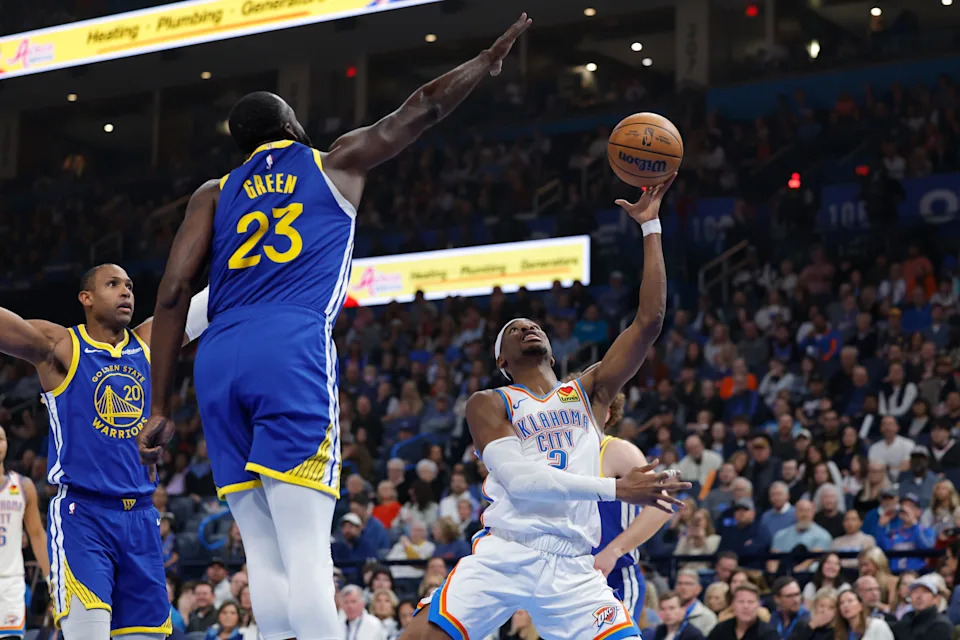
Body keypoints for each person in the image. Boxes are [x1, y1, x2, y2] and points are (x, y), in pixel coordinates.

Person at [140, 15, 535, 640]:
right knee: (305, 551)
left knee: (261, 549)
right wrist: (484, 62)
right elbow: (423, 107)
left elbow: (169, 295)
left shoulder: (213, 193)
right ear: (293, 127)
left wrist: (160, 405)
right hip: (288, 345)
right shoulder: (334, 162)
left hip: (218, 356)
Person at [400, 177, 689, 640]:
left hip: (572, 565)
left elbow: (649, 321)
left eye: (532, 324)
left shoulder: (589, 392)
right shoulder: (489, 402)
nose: (526, 328)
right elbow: (522, 483)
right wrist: (617, 489)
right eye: (514, 329)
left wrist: (650, 226)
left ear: (552, 353)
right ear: (502, 362)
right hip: (506, 552)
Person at [0, 264, 208, 639]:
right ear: (87, 298)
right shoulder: (61, 346)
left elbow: (206, 304)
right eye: (112, 284)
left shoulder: (150, 342)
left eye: (129, 285)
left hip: (142, 518)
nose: (126, 291)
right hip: (84, 517)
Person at [593, 392, 673, 624]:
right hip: (566, 577)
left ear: (606, 413)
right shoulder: (558, 457)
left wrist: (614, 551)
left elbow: (662, 504)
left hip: (613, 577)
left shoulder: (616, 450)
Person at [0, 427, 50, 639]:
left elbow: (37, 535)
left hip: (11, 583)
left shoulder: (23, 486)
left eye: (0, 439)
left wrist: (52, 580)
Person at [769, 500, 831, 571]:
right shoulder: (780, 535)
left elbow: (813, 560)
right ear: (795, 513)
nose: (804, 514)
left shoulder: (824, 536)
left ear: (813, 513)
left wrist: (792, 572)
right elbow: (773, 560)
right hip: (783, 574)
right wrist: (772, 575)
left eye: (807, 511)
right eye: (801, 510)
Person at [706, 584, 777, 640]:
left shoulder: (768, 633)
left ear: (758, 605)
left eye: (750, 602)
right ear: (733, 605)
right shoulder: (721, 629)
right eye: (741, 601)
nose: (745, 606)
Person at [893, 575, 953, 640]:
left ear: (936, 599)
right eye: (915, 591)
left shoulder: (941, 625)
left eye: (925, 591)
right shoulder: (906, 619)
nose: (919, 596)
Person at [676, 569, 719, 636]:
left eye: (688, 584)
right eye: (680, 583)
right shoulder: (666, 612)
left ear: (698, 589)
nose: (683, 587)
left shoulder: (708, 617)